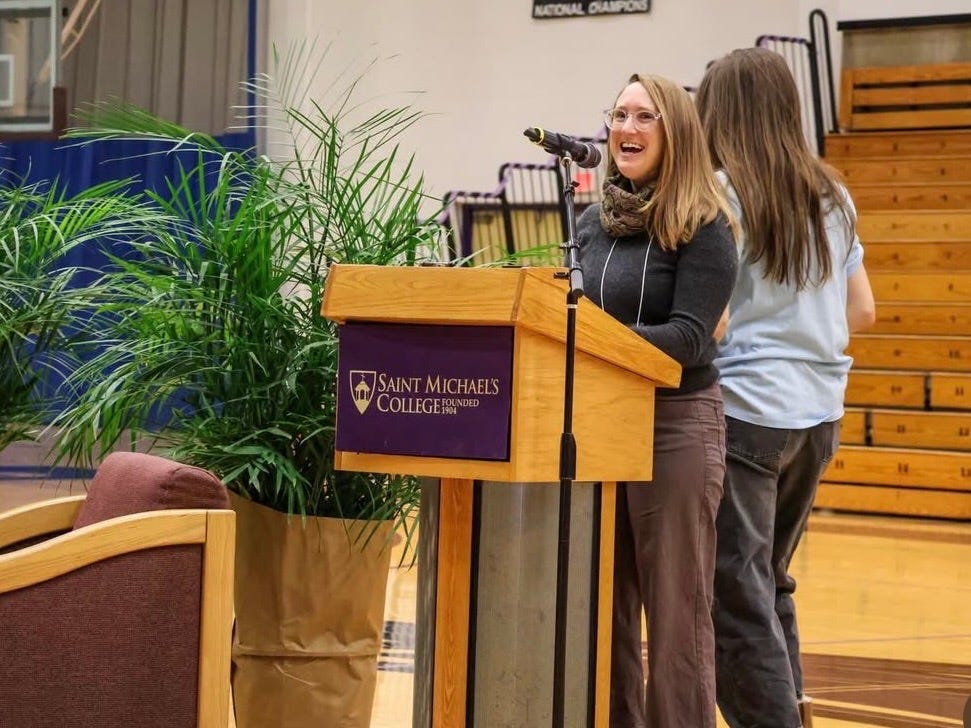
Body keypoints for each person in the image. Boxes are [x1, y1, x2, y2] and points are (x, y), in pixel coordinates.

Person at [695, 47, 876, 728]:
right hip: (818, 415)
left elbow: (707, 322)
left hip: (746, 412)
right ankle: (792, 711)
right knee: (768, 579)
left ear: (715, 113)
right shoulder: (832, 194)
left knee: (734, 594)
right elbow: (862, 312)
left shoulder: (720, 192)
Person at [577, 72, 738, 728]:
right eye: (619, 114)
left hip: (673, 428)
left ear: (675, 131)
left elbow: (690, 339)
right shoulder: (591, 224)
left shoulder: (704, 226)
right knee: (602, 610)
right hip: (598, 425)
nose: (627, 129)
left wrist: (587, 340)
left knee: (675, 619)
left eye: (644, 116)